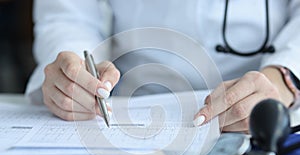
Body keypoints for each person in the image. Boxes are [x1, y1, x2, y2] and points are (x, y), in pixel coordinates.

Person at [26, 0, 300, 133]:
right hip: (132, 106)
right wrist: (75, 74)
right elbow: (69, 15)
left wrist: (285, 77)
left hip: (266, 106)